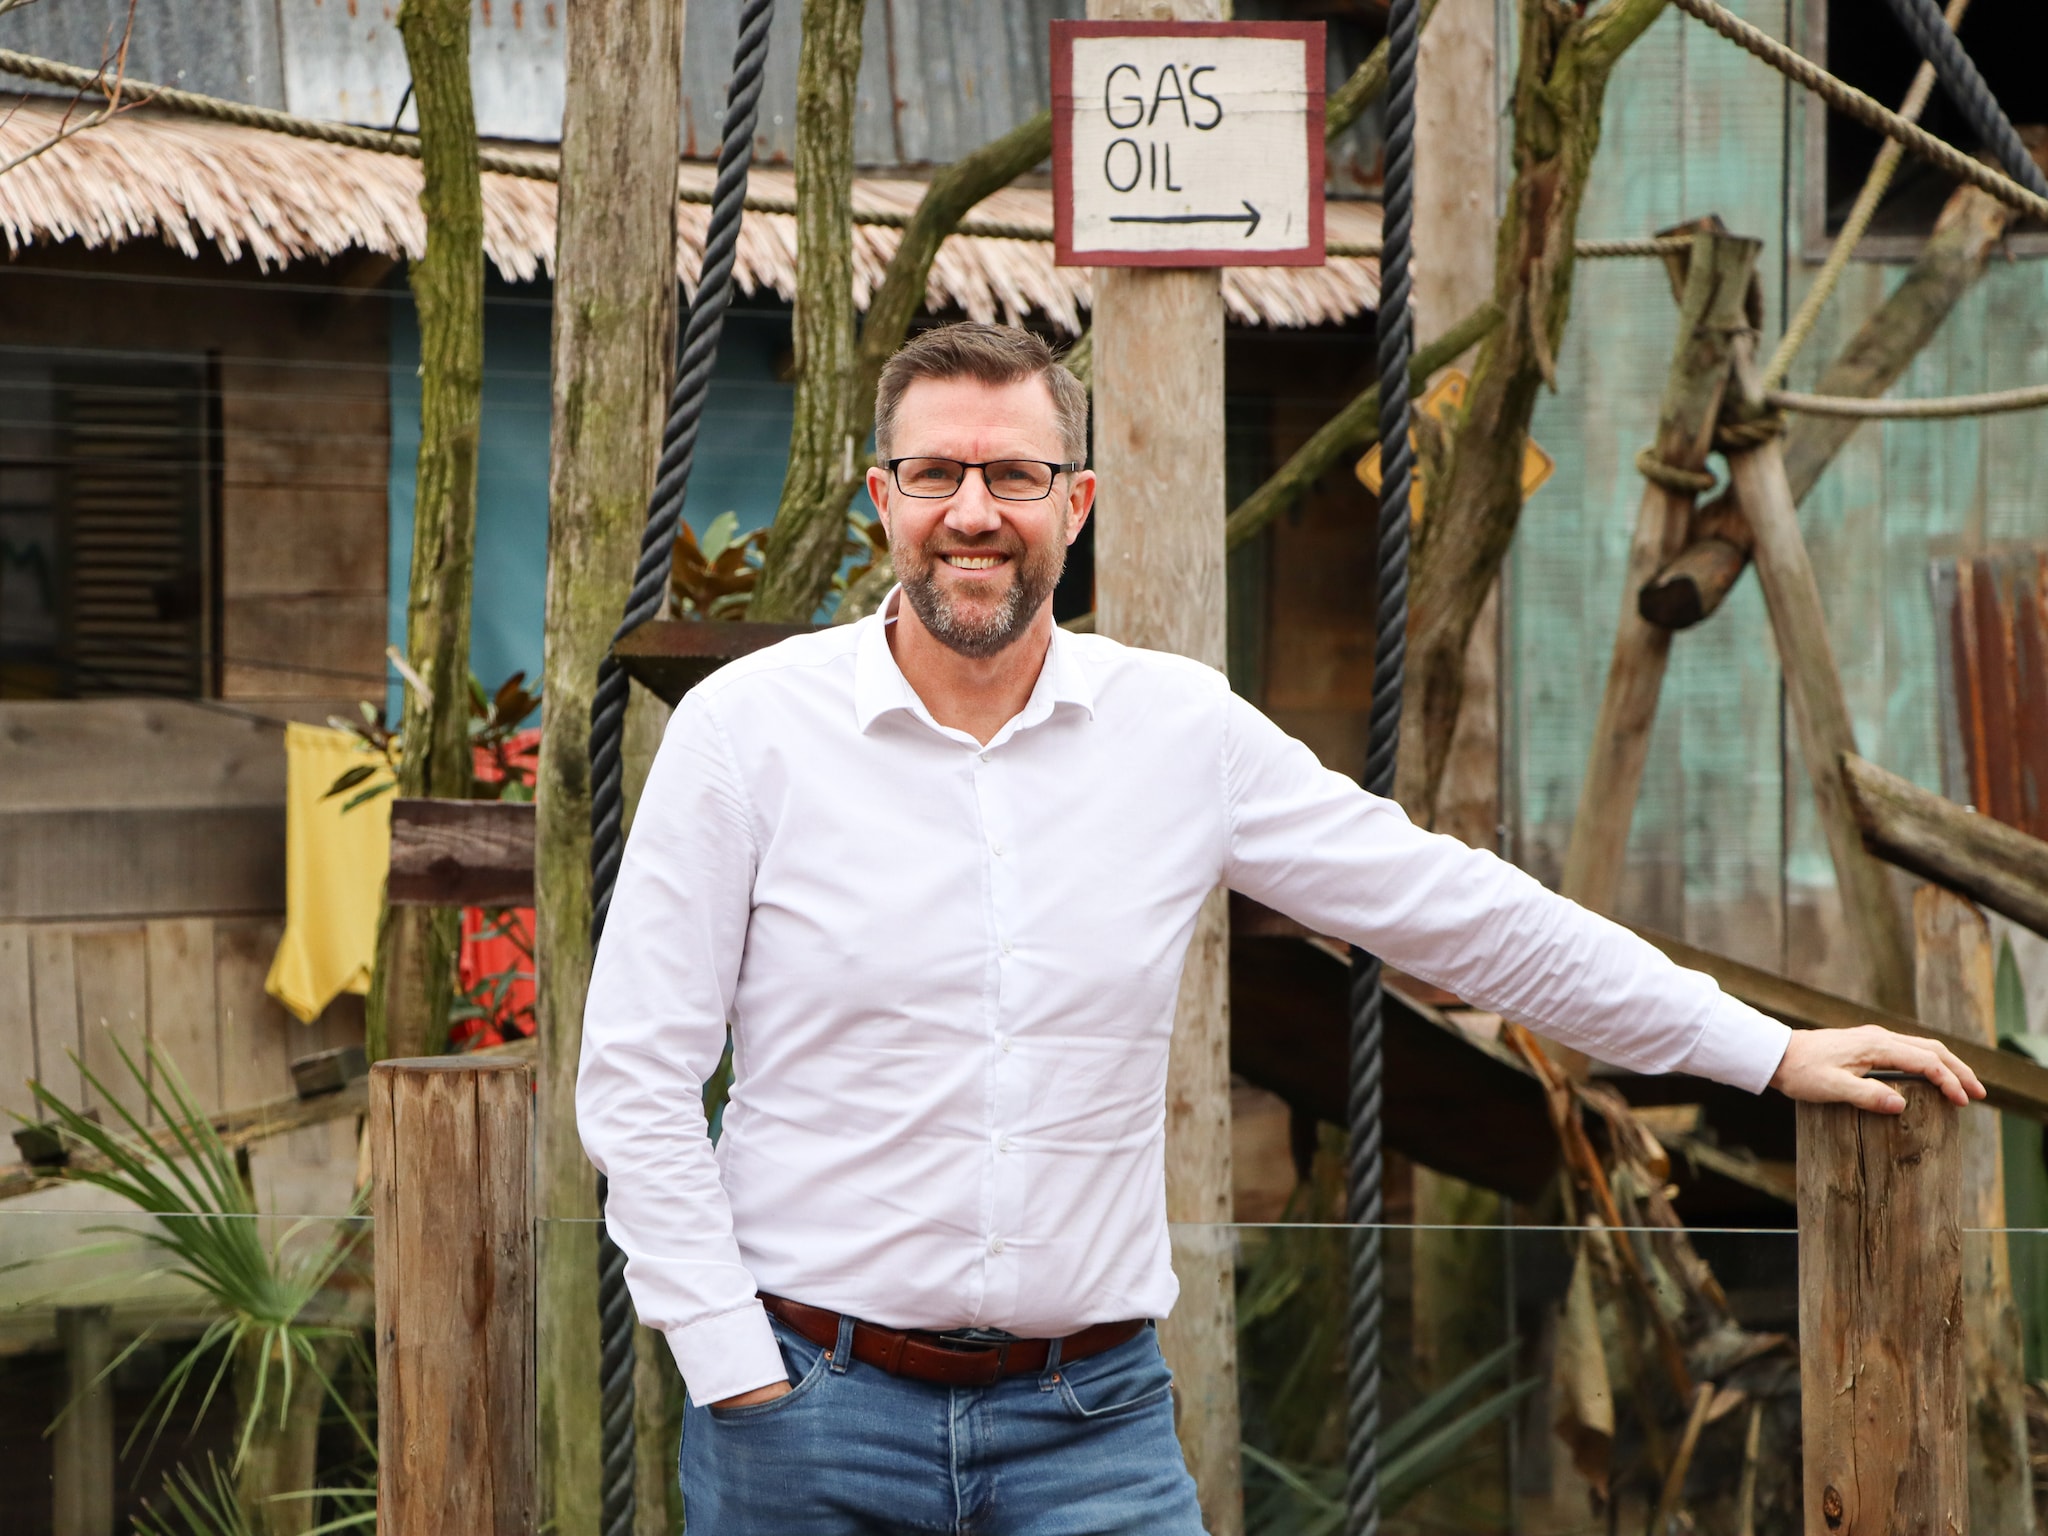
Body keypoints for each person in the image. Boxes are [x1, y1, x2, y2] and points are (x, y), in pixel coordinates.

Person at [578, 321, 1982, 1535]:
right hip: (810, 1412)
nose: (974, 512)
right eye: (937, 473)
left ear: (1077, 502)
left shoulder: (1175, 731)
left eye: (1015, 476)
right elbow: (637, 1074)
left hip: (1088, 1426)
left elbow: (1457, 911)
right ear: (884, 496)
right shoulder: (748, 735)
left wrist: (1763, 1050)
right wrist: (730, 1364)